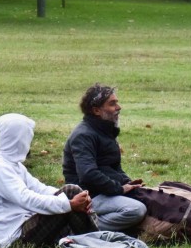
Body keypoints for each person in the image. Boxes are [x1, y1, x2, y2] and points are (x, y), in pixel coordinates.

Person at [0, 113, 93, 248]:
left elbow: (39, 188)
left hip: (22, 226)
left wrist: (72, 198)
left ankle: (96, 239)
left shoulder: (12, 164)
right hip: (11, 239)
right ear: (18, 138)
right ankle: (99, 240)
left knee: (71, 192)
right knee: (70, 193)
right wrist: (68, 203)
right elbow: (26, 198)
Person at [62, 84, 147, 233]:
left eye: (117, 102)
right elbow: (88, 174)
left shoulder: (104, 131)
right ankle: (82, 229)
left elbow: (113, 167)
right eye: (112, 104)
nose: (118, 107)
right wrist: (119, 189)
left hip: (104, 191)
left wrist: (127, 182)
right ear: (96, 110)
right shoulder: (84, 135)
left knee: (147, 199)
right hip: (89, 197)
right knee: (136, 209)